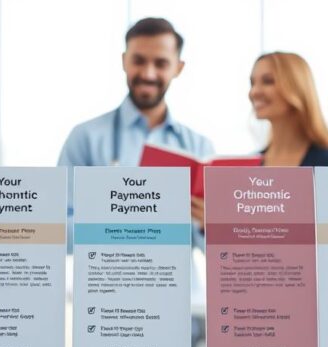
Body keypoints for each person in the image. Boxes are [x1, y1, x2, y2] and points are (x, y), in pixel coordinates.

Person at [57, 17, 215, 231]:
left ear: (178, 68)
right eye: (139, 61)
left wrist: (211, 225)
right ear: (124, 61)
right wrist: (122, 228)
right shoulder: (86, 137)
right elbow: (58, 227)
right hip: (112, 264)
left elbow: (208, 247)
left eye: (161, 63)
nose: (148, 74)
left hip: (175, 266)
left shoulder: (199, 148)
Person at [250, 51, 328, 167]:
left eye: (268, 81)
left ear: (296, 88)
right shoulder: (251, 165)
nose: (254, 92)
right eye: (252, 83)